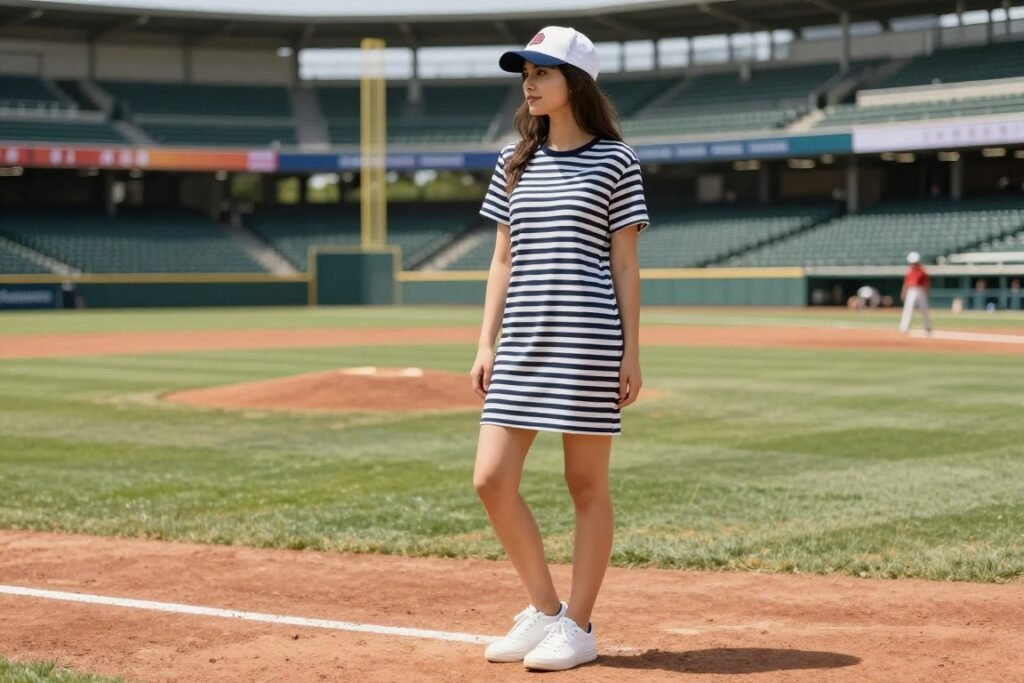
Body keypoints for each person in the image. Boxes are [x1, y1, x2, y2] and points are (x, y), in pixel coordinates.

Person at [468, 25, 650, 672]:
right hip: (521, 339)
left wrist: (632, 351)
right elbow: (501, 259)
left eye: (542, 70)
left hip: (588, 340)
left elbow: (625, 265)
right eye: (526, 70)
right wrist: (485, 340)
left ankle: (579, 623)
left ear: (576, 82)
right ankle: (546, 611)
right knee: (490, 478)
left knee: (585, 484)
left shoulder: (615, 161)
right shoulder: (514, 159)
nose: (529, 80)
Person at [899, 251, 932, 335]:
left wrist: (927, 292)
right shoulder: (909, 270)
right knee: (908, 309)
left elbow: (926, 284)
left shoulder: (922, 270)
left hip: (920, 290)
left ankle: (927, 327)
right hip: (911, 290)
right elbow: (906, 283)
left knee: (924, 310)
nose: (912, 264)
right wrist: (904, 292)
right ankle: (904, 328)